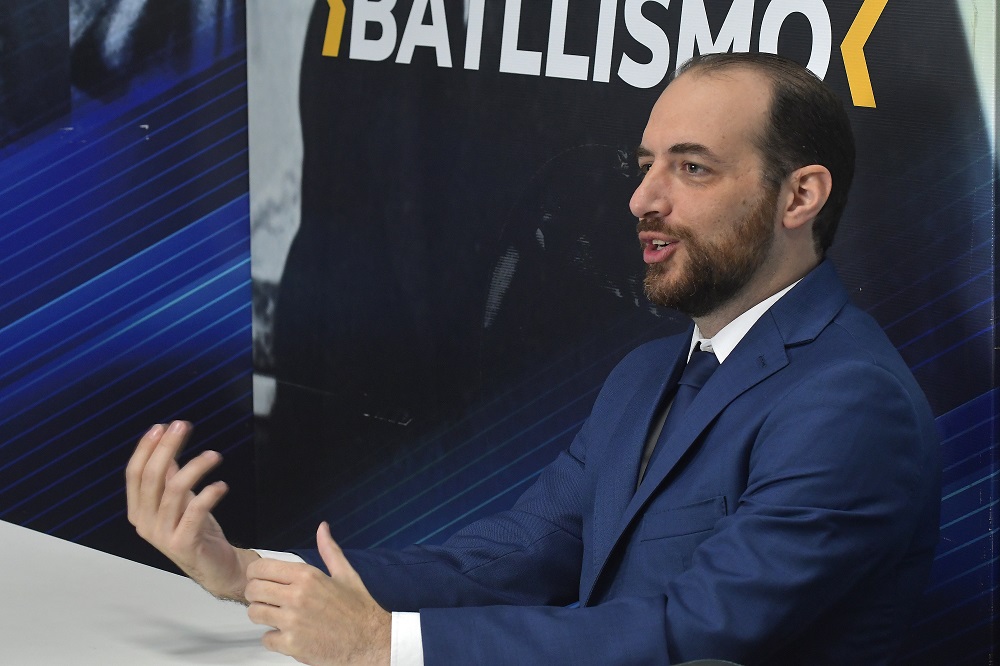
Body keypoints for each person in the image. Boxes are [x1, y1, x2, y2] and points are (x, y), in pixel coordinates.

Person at [126, 52, 941, 665]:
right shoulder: (645, 376)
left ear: (800, 196)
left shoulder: (851, 403)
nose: (642, 199)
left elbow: (690, 633)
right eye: (644, 165)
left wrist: (384, 646)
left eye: (690, 167)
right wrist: (248, 572)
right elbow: (505, 561)